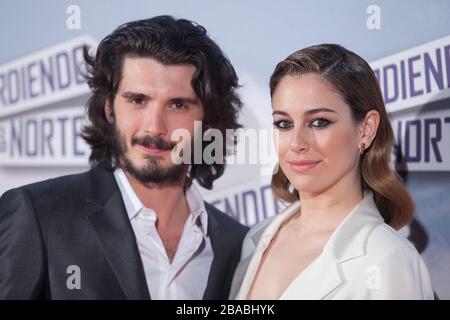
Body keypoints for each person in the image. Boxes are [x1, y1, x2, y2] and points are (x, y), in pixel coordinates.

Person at [0, 16, 248, 300]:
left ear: (208, 122)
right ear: (109, 108)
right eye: (137, 100)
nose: (155, 127)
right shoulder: (39, 216)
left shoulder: (238, 246)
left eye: (178, 105)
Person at [229, 44, 434, 300]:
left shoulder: (388, 259)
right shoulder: (256, 239)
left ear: (366, 130)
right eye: (284, 123)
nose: (296, 143)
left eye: (319, 122)